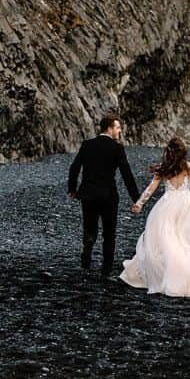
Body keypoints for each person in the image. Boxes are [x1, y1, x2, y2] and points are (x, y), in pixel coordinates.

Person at [120, 136, 190, 297]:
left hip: (166, 205)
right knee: (182, 240)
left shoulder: (164, 168)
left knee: (165, 240)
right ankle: (179, 274)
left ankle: (166, 273)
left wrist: (140, 203)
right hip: (186, 205)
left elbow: (151, 189)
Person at [67, 114, 140, 277]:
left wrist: (72, 189)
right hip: (108, 195)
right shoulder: (117, 148)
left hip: (88, 193)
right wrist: (137, 198)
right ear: (110, 128)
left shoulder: (87, 145)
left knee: (89, 226)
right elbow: (127, 174)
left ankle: (88, 246)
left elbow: (74, 167)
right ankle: (106, 269)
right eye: (118, 127)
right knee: (109, 232)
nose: (120, 131)